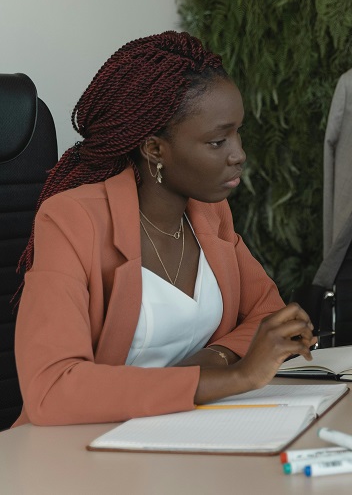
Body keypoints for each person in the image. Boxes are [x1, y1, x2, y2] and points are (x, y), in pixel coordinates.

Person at [13, 32, 316, 427]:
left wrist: (215, 359)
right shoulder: (71, 220)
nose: (238, 153)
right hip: (89, 447)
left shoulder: (210, 214)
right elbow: (51, 389)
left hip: (188, 431)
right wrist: (232, 377)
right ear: (155, 149)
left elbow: (269, 313)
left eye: (239, 133)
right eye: (217, 140)